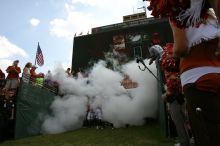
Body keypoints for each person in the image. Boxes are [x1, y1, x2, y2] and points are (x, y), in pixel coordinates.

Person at [148, 0, 220, 145]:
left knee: (206, 134)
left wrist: (168, 55)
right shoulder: (211, 16)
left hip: (196, 79)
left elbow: (181, 48)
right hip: (216, 72)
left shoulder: (177, 16)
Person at [161, 43, 190, 146]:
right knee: (185, 119)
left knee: (179, 120)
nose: (165, 57)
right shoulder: (182, 60)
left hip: (176, 96)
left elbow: (174, 80)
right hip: (182, 93)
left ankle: (185, 142)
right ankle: (191, 139)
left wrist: (168, 93)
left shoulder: (172, 64)